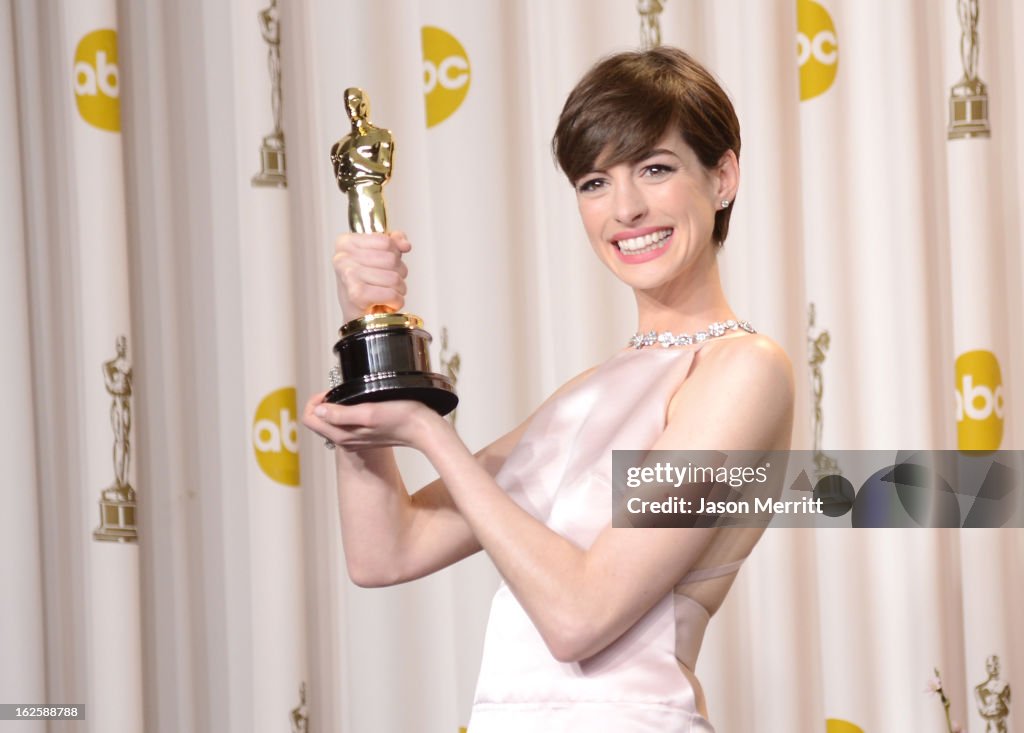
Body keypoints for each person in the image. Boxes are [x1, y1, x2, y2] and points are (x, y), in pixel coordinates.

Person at [303, 46, 794, 732]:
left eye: (655, 169)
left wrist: (428, 431)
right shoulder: (589, 393)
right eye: (595, 182)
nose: (624, 208)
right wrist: (367, 336)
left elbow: (579, 616)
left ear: (722, 177)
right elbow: (387, 550)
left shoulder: (745, 369)